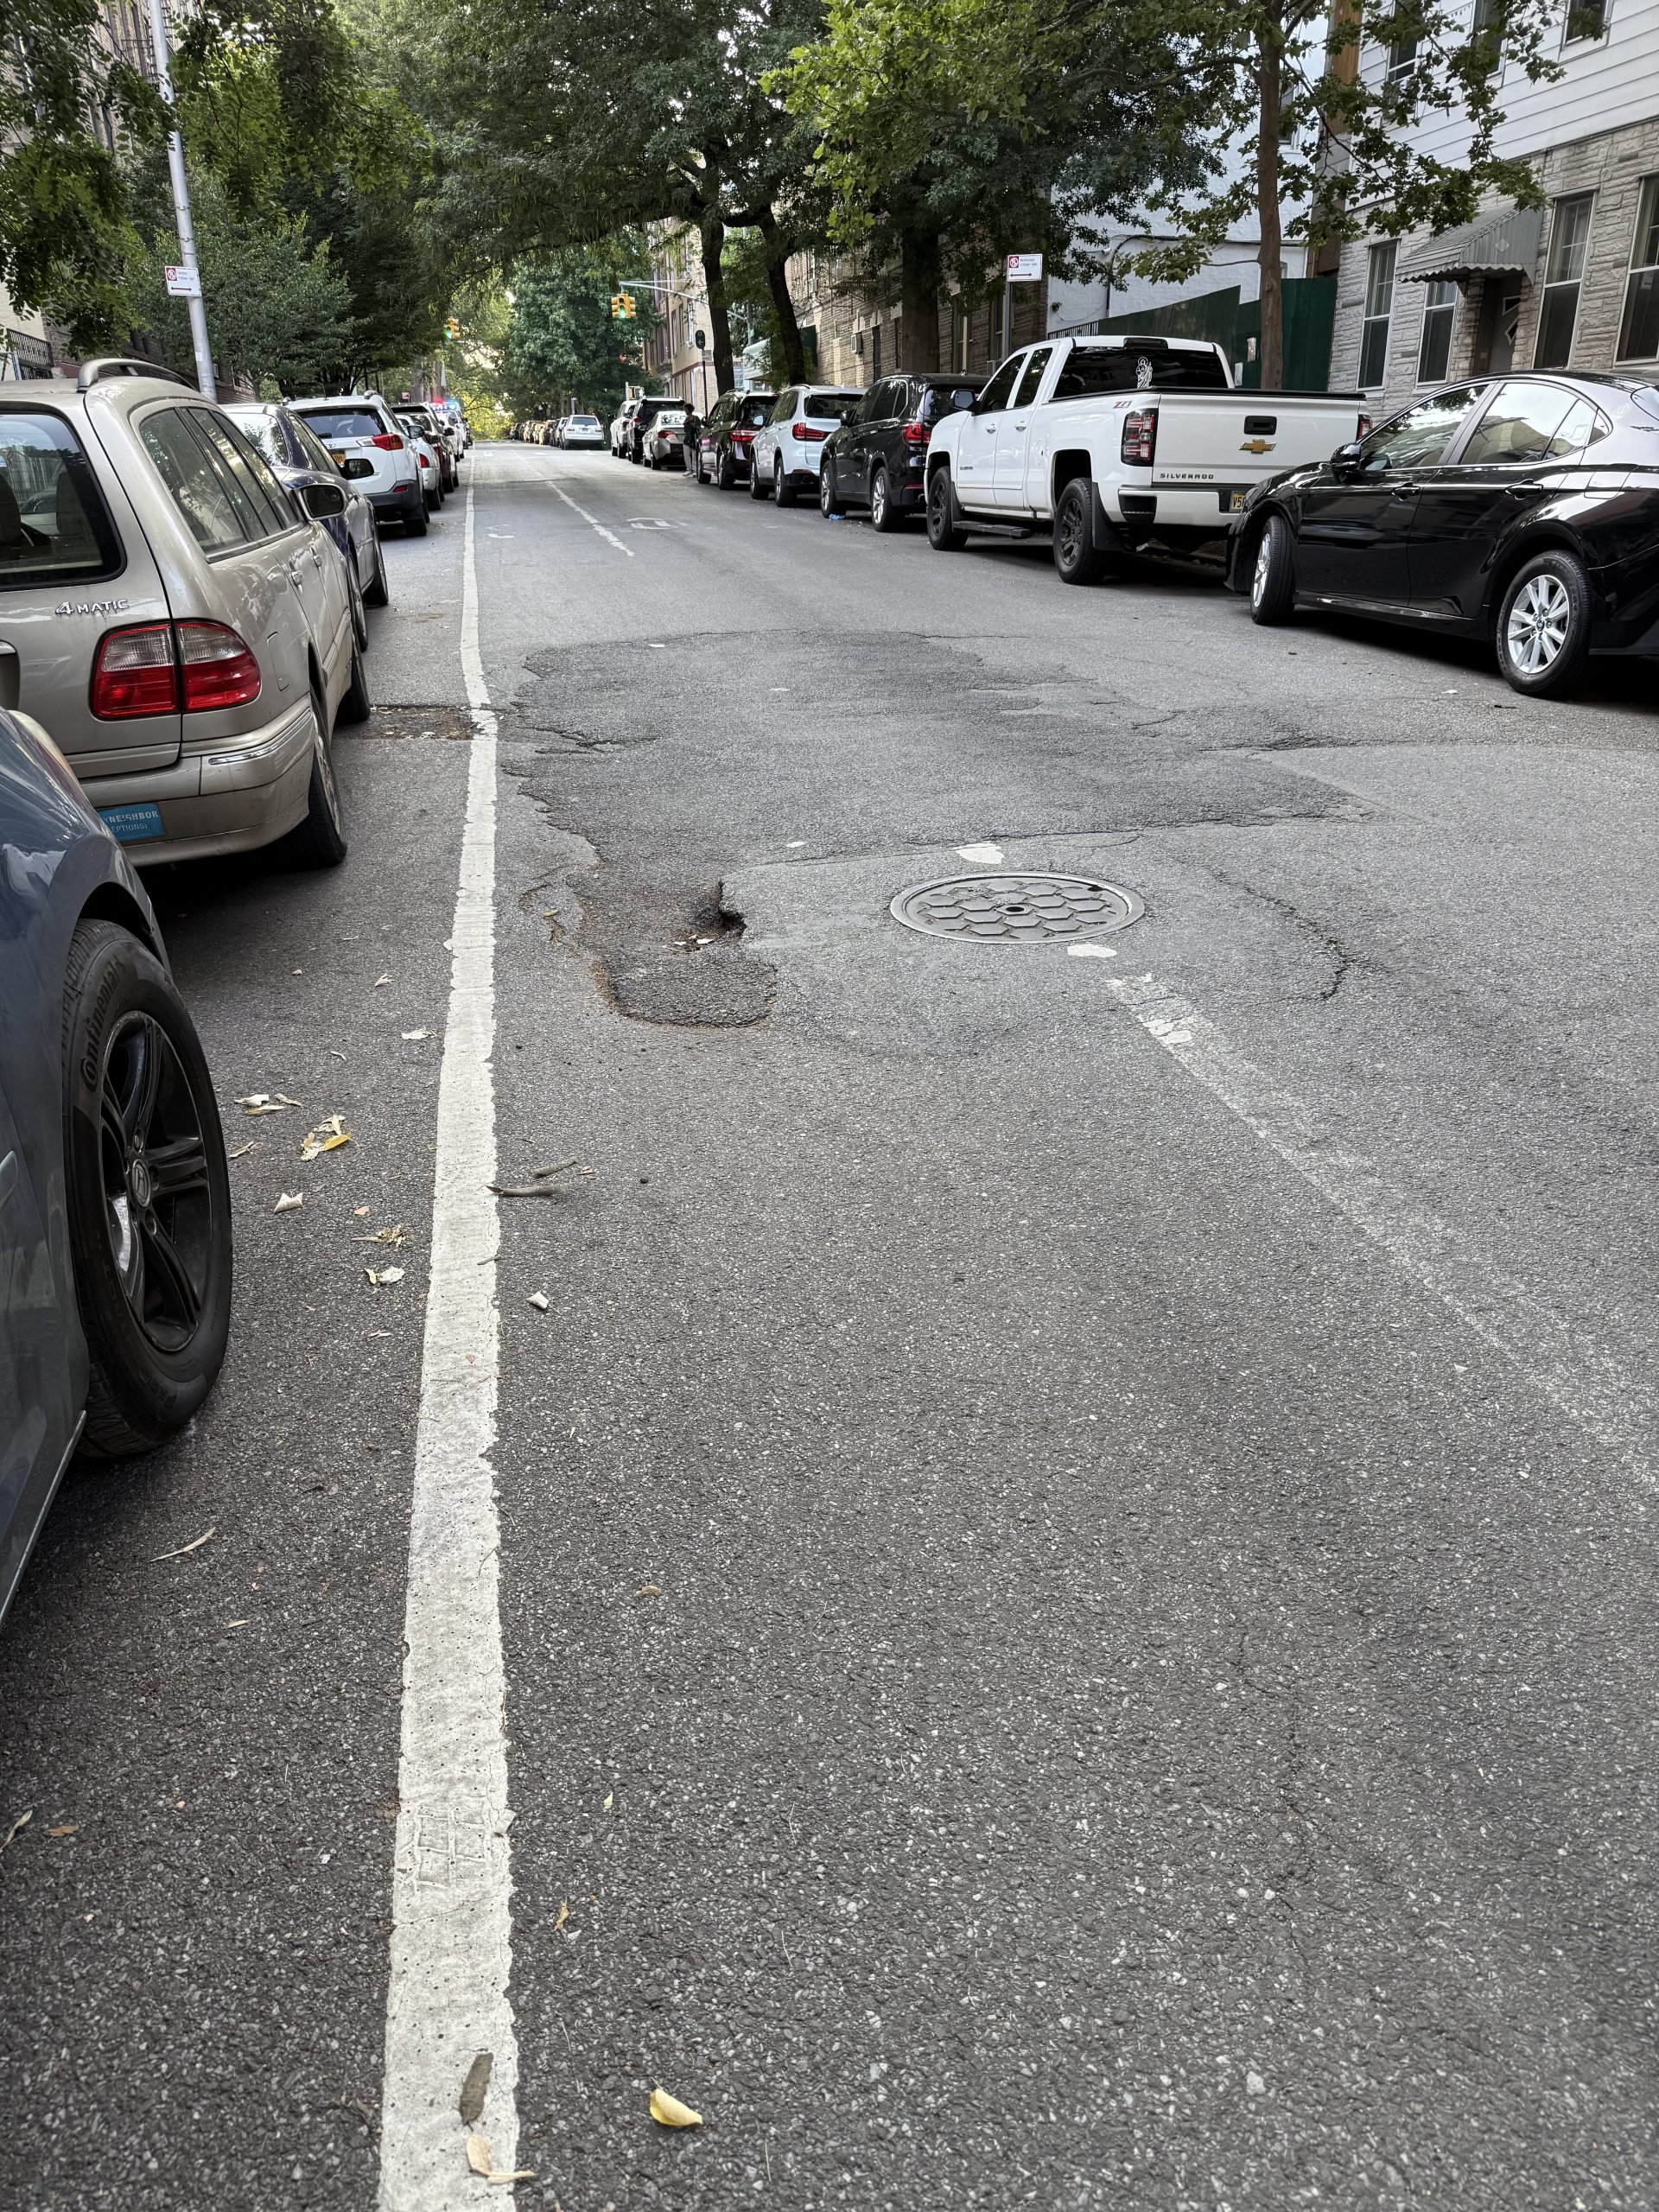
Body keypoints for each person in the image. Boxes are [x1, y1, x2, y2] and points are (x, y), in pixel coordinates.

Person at [682, 400, 701, 477]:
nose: (685, 411)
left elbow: (698, 428)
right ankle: (689, 469)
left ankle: (695, 470)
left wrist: (691, 423)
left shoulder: (696, 418)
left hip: (694, 439)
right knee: (686, 455)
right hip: (687, 439)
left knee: (694, 455)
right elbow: (685, 429)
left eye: (686, 409)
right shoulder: (686, 419)